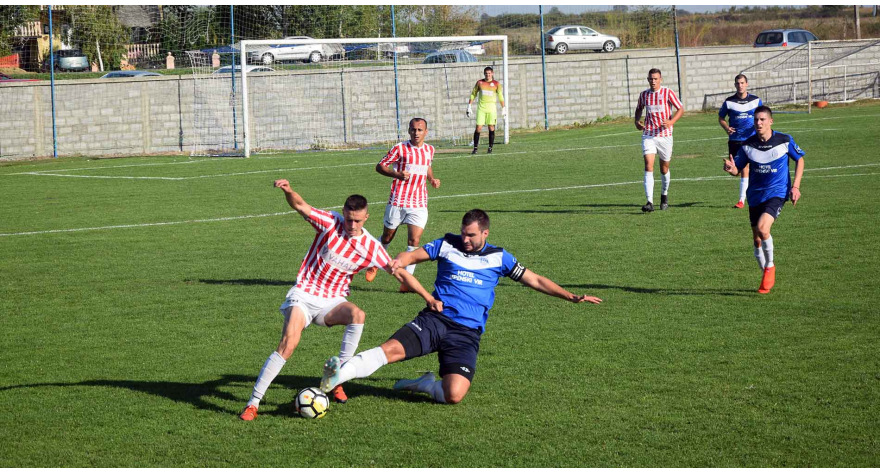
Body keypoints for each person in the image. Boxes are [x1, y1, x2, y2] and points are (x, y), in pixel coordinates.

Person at [320, 209, 602, 405]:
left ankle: (425, 384)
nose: (465, 240)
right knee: (389, 350)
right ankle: (336, 377)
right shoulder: (446, 245)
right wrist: (399, 262)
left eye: (471, 236)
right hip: (435, 319)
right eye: (463, 234)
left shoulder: (499, 258)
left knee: (454, 395)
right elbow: (412, 255)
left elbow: (536, 280)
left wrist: (571, 296)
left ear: (485, 233)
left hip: (466, 333)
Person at [239, 181, 439, 420]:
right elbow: (302, 206)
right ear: (343, 213)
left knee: (358, 315)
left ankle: (337, 378)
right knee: (288, 345)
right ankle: (253, 403)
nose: (352, 225)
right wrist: (289, 191)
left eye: (357, 221)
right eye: (349, 219)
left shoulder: (370, 246)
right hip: (304, 294)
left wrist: (428, 297)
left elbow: (400, 273)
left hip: (332, 301)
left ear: (366, 217)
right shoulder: (330, 223)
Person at [723, 105, 805, 294]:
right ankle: (765, 273)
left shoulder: (784, 140)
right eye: (756, 120)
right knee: (756, 240)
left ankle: (770, 266)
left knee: (763, 228)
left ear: (770, 121)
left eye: (762, 120)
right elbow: (738, 170)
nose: (758, 123)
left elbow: (799, 159)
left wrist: (795, 186)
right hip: (755, 196)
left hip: (777, 193)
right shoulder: (747, 144)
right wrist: (731, 169)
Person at [364, 118, 440, 291]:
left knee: (414, 240)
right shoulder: (400, 148)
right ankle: (375, 262)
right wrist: (396, 174)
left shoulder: (430, 149)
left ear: (426, 132)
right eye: (413, 130)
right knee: (387, 237)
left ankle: (406, 281)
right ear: (408, 131)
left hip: (419, 202)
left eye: (420, 130)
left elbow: (427, 165)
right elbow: (380, 166)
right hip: (398, 200)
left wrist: (432, 179)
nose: (416, 133)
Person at [634, 68, 684, 212]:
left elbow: (680, 109)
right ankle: (649, 202)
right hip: (649, 134)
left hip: (665, 136)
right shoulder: (644, 95)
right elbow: (639, 109)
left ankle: (664, 195)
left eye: (656, 79)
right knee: (648, 165)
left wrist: (671, 121)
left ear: (660, 79)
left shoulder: (667, 93)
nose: (653, 81)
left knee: (664, 168)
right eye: (651, 79)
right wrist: (637, 121)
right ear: (648, 80)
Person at [719, 74, 763, 209]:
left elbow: (762, 116)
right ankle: (745, 196)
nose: (740, 85)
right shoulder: (729, 102)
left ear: (747, 84)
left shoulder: (756, 101)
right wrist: (727, 128)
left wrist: (759, 127)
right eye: (738, 83)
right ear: (735, 85)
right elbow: (721, 118)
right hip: (735, 140)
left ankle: (742, 200)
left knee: (748, 168)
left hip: (752, 140)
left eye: (742, 83)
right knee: (736, 171)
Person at [467, 66, 507, 155]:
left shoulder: (496, 84)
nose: (488, 75)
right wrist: (469, 105)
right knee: (478, 128)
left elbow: (500, 96)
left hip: (491, 109)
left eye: (489, 73)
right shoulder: (479, 82)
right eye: (486, 73)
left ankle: (490, 148)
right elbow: (473, 94)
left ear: (492, 74)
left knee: (491, 127)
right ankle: (475, 148)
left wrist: (504, 108)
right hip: (481, 109)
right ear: (484, 74)